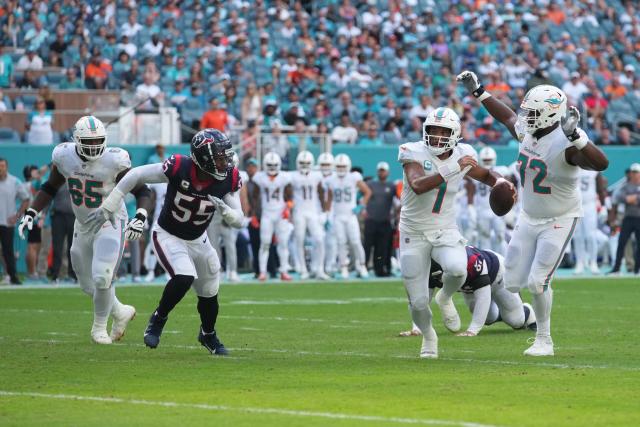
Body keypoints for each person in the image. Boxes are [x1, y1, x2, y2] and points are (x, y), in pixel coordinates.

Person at [457, 71, 608, 356]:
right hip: (528, 216)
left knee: (537, 282)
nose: (526, 116)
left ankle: (544, 340)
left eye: (533, 112)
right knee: (512, 282)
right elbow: (507, 117)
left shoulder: (567, 145)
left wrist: (577, 137)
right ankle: (519, 312)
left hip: (559, 219)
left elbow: (601, 164)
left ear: (552, 115)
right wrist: (479, 92)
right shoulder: (529, 131)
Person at [87, 129, 243, 355]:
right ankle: (158, 318)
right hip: (169, 234)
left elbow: (240, 218)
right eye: (220, 159)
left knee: (209, 292)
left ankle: (208, 335)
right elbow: (136, 175)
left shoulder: (228, 177)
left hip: (199, 239)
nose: (225, 163)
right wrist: (111, 202)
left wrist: (230, 214)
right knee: (184, 276)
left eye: (226, 157)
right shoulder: (180, 167)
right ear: (203, 159)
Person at [18, 116, 145, 343]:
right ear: (77, 140)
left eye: (98, 141)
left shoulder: (115, 160)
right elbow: (50, 186)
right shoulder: (64, 156)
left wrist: (141, 216)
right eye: (89, 141)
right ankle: (120, 312)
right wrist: (32, 212)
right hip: (83, 223)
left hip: (111, 221)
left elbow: (143, 191)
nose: (94, 146)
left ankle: (99, 328)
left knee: (102, 277)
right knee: (87, 284)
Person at [397, 106, 506, 358]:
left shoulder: (463, 154)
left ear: (455, 134)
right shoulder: (411, 151)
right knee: (418, 301)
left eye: (442, 131)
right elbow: (418, 185)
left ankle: (445, 297)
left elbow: (487, 174)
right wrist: (452, 169)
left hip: (445, 228)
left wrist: (501, 182)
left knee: (457, 269)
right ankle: (429, 337)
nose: (435, 136)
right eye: (432, 130)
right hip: (413, 230)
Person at [399, 246, 537, 337]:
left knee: (516, 321)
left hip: (498, 276)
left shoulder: (471, 261)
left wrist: (473, 330)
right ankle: (503, 312)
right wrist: (417, 328)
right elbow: (423, 300)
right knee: (488, 318)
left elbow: (483, 295)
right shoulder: (431, 269)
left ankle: (527, 311)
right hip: (470, 286)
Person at [325, 153, 371, 279]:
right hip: (338, 216)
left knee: (355, 242)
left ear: (348, 166)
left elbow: (367, 192)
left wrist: (361, 205)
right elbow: (329, 199)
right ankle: (343, 267)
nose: (340, 169)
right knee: (341, 242)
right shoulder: (331, 179)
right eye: (338, 166)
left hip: (350, 215)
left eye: (343, 166)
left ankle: (361, 265)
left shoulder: (354, 177)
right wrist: (327, 214)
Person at [251, 152, 293, 281]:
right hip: (267, 214)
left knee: (283, 243)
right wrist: (254, 214)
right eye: (270, 165)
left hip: (280, 214)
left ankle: (284, 271)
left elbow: (289, 194)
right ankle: (263, 272)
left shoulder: (284, 177)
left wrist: (288, 207)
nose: (272, 167)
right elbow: (255, 197)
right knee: (265, 243)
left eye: (275, 165)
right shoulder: (260, 178)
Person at [290, 151, 329, 280]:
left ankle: (319, 269)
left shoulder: (317, 176)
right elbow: (288, 194)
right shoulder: (293, 176)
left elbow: (322, 193)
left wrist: (324, 212)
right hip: (299, 211)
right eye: (302, 163)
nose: (304, 165)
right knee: (299, 240)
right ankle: (303, 269)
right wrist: (289, 210)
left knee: (319, 239)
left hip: (313, 211)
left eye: (307, 163)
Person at [466, 147, 510, 256]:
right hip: (482, 209)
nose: (487, 163)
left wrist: (511, 207)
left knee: (500, 236)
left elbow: (509, 187)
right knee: (484, 236)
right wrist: (470, 206)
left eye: (489, 160)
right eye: (485, 160)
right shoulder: (477, 173)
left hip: (497, 209)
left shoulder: (502, 171)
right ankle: (488, 260)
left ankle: (504, 260)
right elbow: (470, 190)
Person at [363, 161, 397, 277]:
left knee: (381, 248)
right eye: (380, 170)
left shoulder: (391, 186)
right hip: (371, 220)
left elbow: (398, 200)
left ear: (387, 172)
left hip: (384, 220)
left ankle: (380, 270)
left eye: (384, 171)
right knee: (367, 246)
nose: (382, 173)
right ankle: (364, 268)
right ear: (377, 172)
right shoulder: (370, 184)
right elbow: (362, 197)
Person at [0, 158, 31, 285]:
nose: (0, 168)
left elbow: (26, 198)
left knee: (8, 251)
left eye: (2, 166)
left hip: (7, 222)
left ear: (7, 167)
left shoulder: (15, 182)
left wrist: (17, 215)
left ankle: (13, 277)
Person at [573, 169, 607, 275]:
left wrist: (603, 206)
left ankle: (593, 262)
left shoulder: (594, 170)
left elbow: (600, 189)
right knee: (577, 235)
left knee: (591, 235)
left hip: (589, 205)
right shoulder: (573, 167)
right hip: (575, 205)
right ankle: (580, 262)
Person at [609, 163, 640, 275]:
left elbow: (630, 199)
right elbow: (620, 197)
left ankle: (637, 269)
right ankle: (616, 268)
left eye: (637, 172)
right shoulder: (625, 186)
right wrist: (631, 198)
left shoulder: (627, 187)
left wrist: (634, 197)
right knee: (621, 242)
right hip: (628, 218)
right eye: (634, 172)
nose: (635, 174)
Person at [48, 183, 76, 282]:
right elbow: (48, 197)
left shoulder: (75, 179)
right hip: (58, 216)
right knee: (57, 247)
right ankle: (55, 274)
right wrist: (43, 215)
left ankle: (73, 274)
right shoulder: (57, 181)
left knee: (73, 248)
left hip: (73, 216)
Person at [318, 152, 338, 276]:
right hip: (318, 211)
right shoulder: (315, 176)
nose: (325, 167)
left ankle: (330, 265)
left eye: (327, 164)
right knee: (318, 241)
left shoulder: (337, 176)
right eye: (323, 164)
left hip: (334, 211)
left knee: (332, 241)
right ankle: (317, 266)